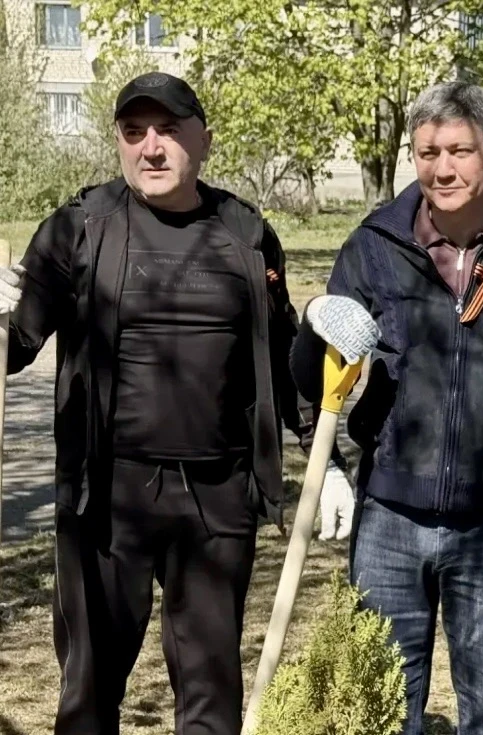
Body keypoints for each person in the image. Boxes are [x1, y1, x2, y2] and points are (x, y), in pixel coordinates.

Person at [0, 72, 312, 735]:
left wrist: (325, 457)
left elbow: (283, 357)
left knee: (210, 695)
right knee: (88, 693)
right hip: (107, 498)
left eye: (169, 130)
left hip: (218, 497)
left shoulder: (245, 232)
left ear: (204, 140)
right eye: (134, 131)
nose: (151, 147)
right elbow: (15, 346)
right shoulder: (79, 227)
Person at [290, 81, 483, 735]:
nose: (442, 168)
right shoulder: (375, 244)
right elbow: (315, 376)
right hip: (389, 517)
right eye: (427, 152)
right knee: (374, 710)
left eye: (460, 150)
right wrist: (314, 324)